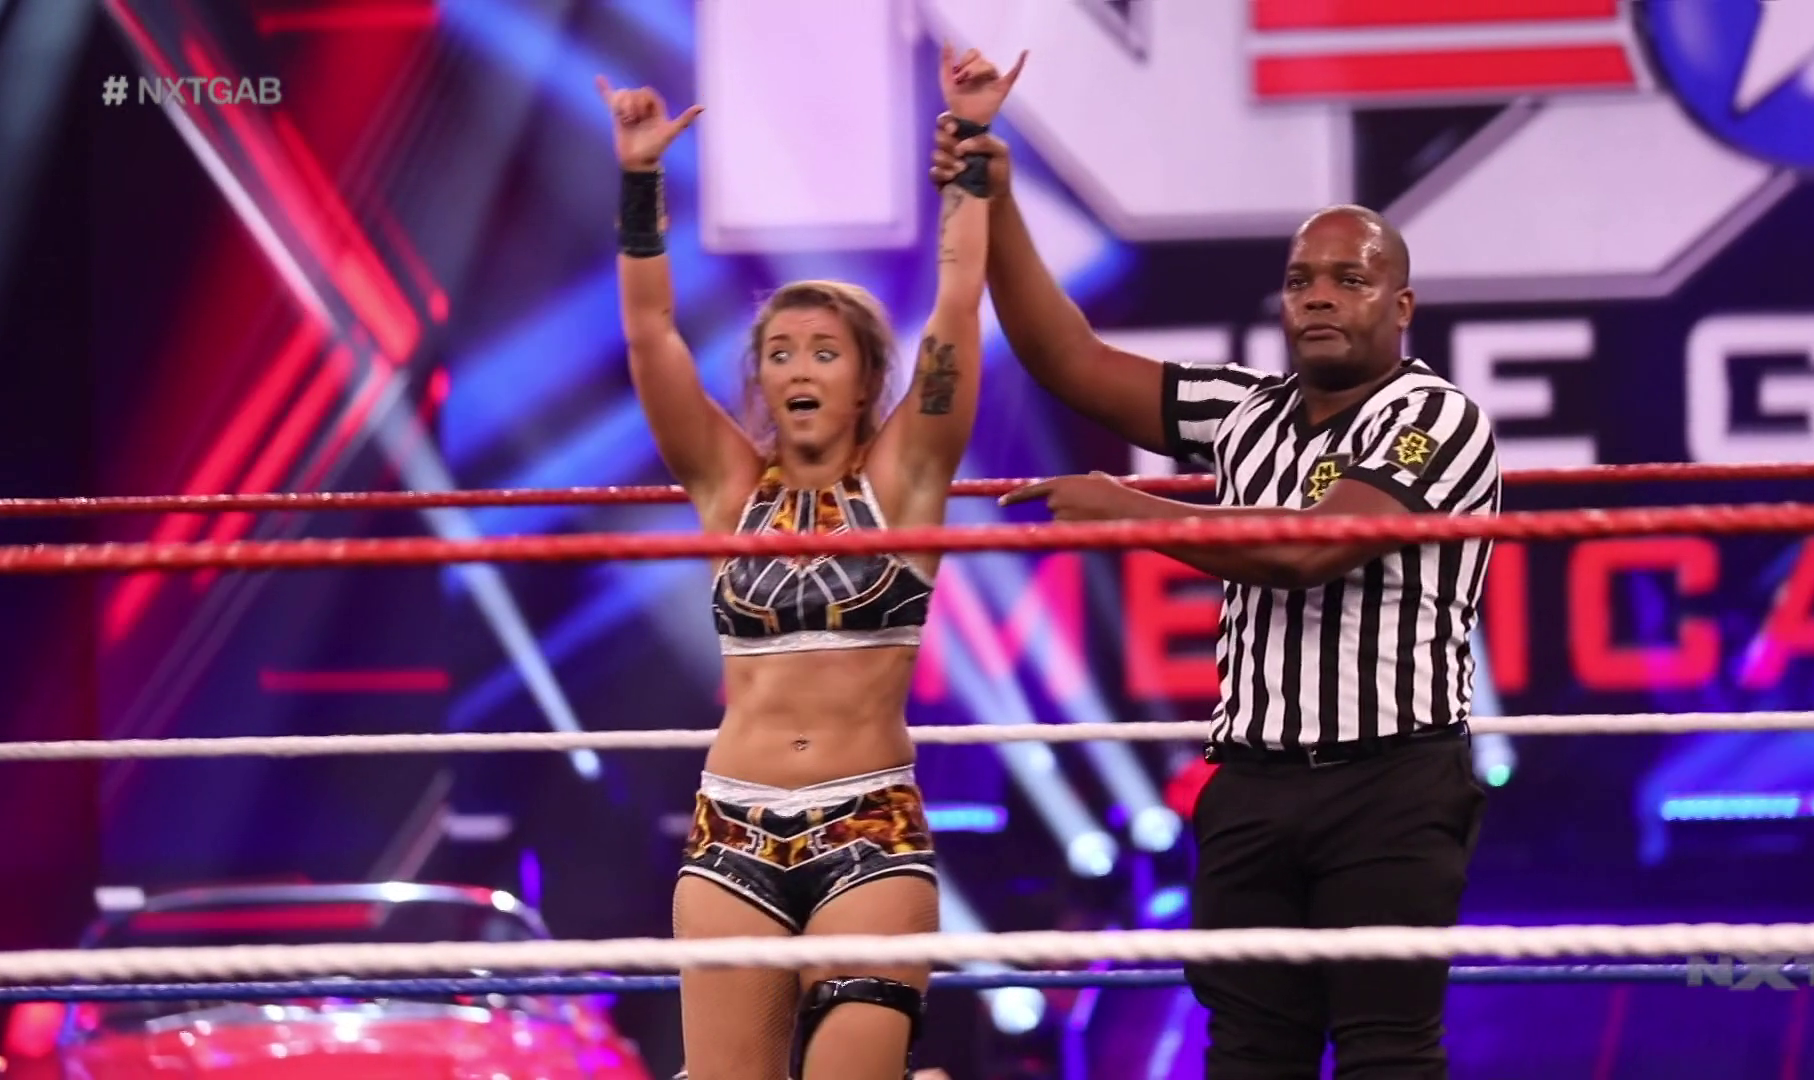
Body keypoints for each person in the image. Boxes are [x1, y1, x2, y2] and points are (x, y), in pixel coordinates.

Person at [931, 95, 1499, 1079]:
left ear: (1400, 307)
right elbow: (1066, 357)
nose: (1318, 297)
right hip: (1251, 784)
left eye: (1350, 279)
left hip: (1392, 783)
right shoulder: (1244, 411)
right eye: (1301, 280)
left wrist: (1130, 511)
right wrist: (999, 196)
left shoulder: (1435, 418)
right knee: (1247, 1052)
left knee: (1387, 1052)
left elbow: (1312, 550)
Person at [597, 45, 1023, 1080]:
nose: (798, 368)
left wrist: (970, 142)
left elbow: (956, 308)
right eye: (780, 353)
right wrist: (641, 179)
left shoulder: (906, 480)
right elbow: (651, 337)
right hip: (730, 831)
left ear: (866, 379)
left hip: (869, 827)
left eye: (824, 352)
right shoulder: (728, 487)